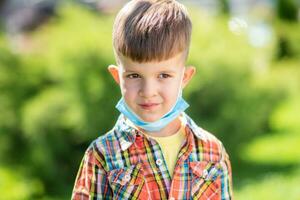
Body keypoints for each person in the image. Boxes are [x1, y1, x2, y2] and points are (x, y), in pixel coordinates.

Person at [72, 0, 233, 199]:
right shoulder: (102, 156)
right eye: (134, 76)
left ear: (184, 77)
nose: (148, 91)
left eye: (163, 75)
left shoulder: (212, 152)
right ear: (117, 77)